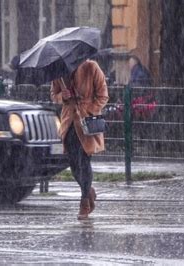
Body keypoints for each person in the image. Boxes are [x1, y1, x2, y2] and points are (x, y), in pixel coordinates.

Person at [50, 59, 109, 220]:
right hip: (68, 123)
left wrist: (89, 109)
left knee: (83, 161)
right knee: (73, 163)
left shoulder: (91, 67)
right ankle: (88, 190)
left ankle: (84, 201)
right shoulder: (59, 72)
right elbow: (54, 96)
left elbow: (103, 95)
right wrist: (63, 96)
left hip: (86, 124)